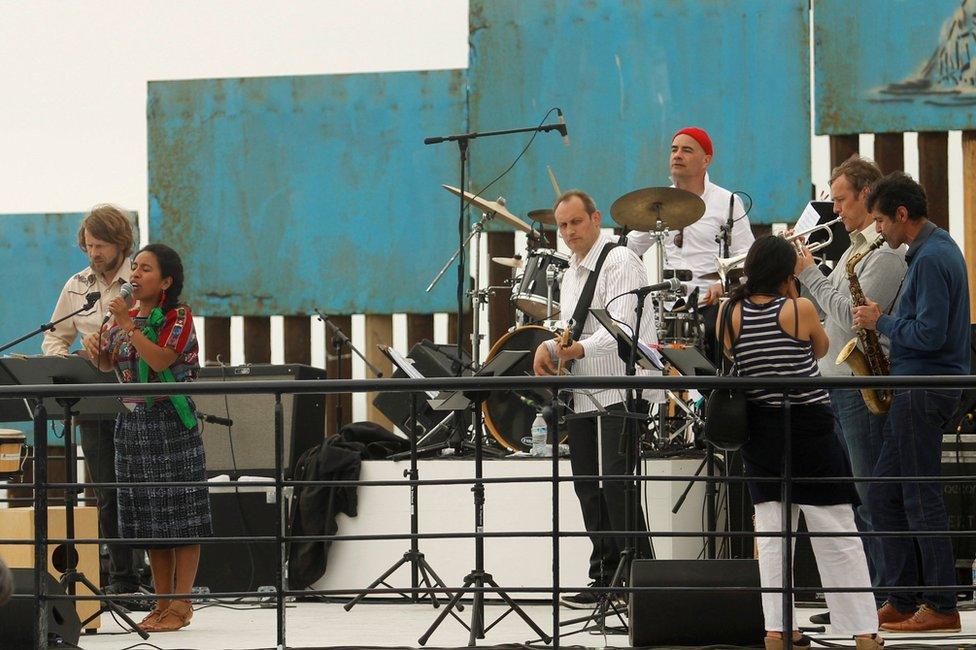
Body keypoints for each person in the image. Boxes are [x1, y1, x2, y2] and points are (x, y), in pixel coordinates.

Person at [717, 235, 881, 649]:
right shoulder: (799, 308)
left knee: (772, 536)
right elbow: (822, 347)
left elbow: (733, 357)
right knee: (836, 529)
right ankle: (862, 631)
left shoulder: (728, 312)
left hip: (760, 432)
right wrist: (795, 291)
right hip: (809, 429)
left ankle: (778, 630)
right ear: (786, 272)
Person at [852, 172, 970, 633]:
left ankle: (941, 604)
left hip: (925, 386)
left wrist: (882, 322)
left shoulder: (932, 258)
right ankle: (901, 599)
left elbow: (930, 334)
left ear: (902, 215)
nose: (877, 230)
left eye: (881, 221)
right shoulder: (931, 253)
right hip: (917, 387)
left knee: (920, 495)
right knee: (884, 494)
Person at [532, 189, 661, 608]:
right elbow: (574, 329)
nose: (569, 232)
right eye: (563, 225)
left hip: (620, 389)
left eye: (576, 222)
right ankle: (605, 577)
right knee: (589, 487)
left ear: (595, 218)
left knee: (619, 487)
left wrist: (574, 351)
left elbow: (625, 328)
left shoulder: (620, 260)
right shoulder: (571, 272)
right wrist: (551, 347)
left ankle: (639, 579)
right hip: (585, 392)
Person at [794, 155, 906, 622]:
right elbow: (830, 316)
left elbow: (852, 319)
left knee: (872, 496)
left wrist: (809, 275)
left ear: (866, 194)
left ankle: (887, 598)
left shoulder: (886, 253)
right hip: (835, 385)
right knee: (853, 502)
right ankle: (859, 601)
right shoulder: (853, 248)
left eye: (840, 200)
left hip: (860, 387)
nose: (835, 210)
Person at [82, 243, 212, 633]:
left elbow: (160, 360)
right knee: (151, 519)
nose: (134, 275)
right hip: (133, 425)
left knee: (182, 515)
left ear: (167, 281)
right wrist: (96, 351)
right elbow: (111, 364)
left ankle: (182, 602)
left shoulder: (178, 316)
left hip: (170, 420)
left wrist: (126, 326)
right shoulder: (123, 316)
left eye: (145, 269)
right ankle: (160, 602)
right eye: (134, 268)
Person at [42, 204, 144, 596]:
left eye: (101, 245)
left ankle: (154, 575)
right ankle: (123, 579)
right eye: (88, 245)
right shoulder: (76, 285)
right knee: (107, 490)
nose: (94, 253)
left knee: (145, 487)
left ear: (121, 243)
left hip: (141, 401)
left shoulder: (140, 278)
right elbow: (54, 337)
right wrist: (74, 359)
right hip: (97, 402)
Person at [625, 127, 755, 355]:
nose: (677, 155)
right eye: (674, 150)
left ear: (706, 160)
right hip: (669, 307)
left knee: (710, 379)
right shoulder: (658, 202)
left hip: (712, 308)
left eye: (686, 150)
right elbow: (630, 247)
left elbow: (748, 257)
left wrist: (724, 285)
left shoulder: (728, 202)